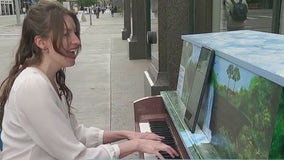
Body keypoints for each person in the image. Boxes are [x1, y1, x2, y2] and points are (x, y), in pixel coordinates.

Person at [0, 1, 179, 160]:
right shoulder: (32, 85)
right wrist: (136, 145)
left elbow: (77, 134)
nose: (76, 41)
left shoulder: (47, 79)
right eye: (66, 34)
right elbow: (77, 156)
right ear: (41, 42)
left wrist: (127, 134)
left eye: (75, 33)